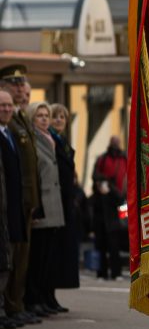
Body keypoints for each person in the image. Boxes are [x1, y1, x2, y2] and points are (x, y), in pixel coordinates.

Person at [0, 65, 41, 326]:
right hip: (12, 201)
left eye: (21, 85)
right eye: (13, 85)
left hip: (23, 200)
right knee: (10, 257)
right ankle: (11, 305)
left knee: (20, 257)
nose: (19, 90)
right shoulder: (11, 122)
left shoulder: (20, 118)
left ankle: (17, 303)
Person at [24, 102, 65, 317]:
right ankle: (34, 299)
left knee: (47, 259)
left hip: (54, 206)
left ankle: (43, 297)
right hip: (42, 207)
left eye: (46, 115)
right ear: (32, 118)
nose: (44, 119)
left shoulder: (50, 139)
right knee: (37, 258)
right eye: (39, 115)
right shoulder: (33, 140)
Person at [48, 104, 79, 304]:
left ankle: (51, 295)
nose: (59, 120)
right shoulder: (50, 140)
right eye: (55, 116)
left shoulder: (63, 142)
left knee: (59, 251)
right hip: (55, 200)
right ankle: (46, 295)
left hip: (67, 201)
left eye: (62, 117)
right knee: (52, 251)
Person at [92, 136, 127, 280]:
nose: (115, 143)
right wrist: (102, 185)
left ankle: (116, 272)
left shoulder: (125, 159)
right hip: (103, 204)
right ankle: (102, 272)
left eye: (117, 141)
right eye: (113, 141)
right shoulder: (102, 159)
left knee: (117, 238)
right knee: (102, 240)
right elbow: (95, 176)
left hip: (121, 202)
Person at [0, 91, 18, 329]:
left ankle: (5, 310)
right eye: (1, 105)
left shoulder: (10, 133)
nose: (5, 109)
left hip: (7, 208)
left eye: (8, 105)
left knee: (7, 262)